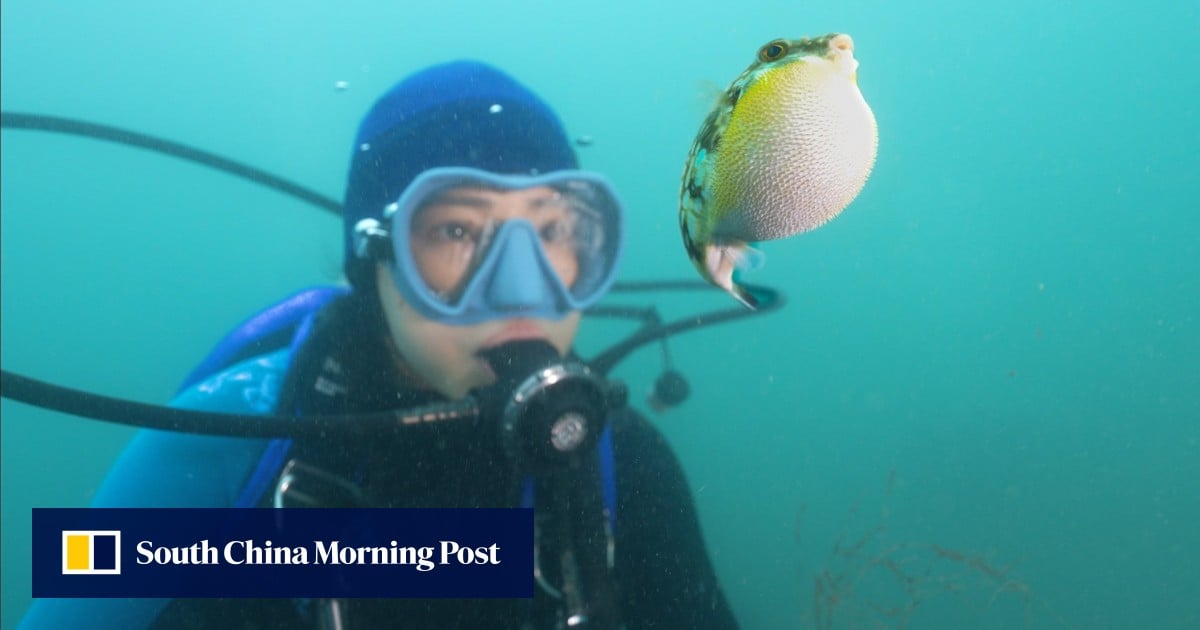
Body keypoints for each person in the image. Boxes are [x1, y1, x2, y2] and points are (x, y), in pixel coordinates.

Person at [20, 60, 739, 629]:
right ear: (375, 260)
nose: (521, 289)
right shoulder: (235, 436)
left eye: (552, 232)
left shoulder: (618, 462)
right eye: (457, 233)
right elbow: (81, 584)